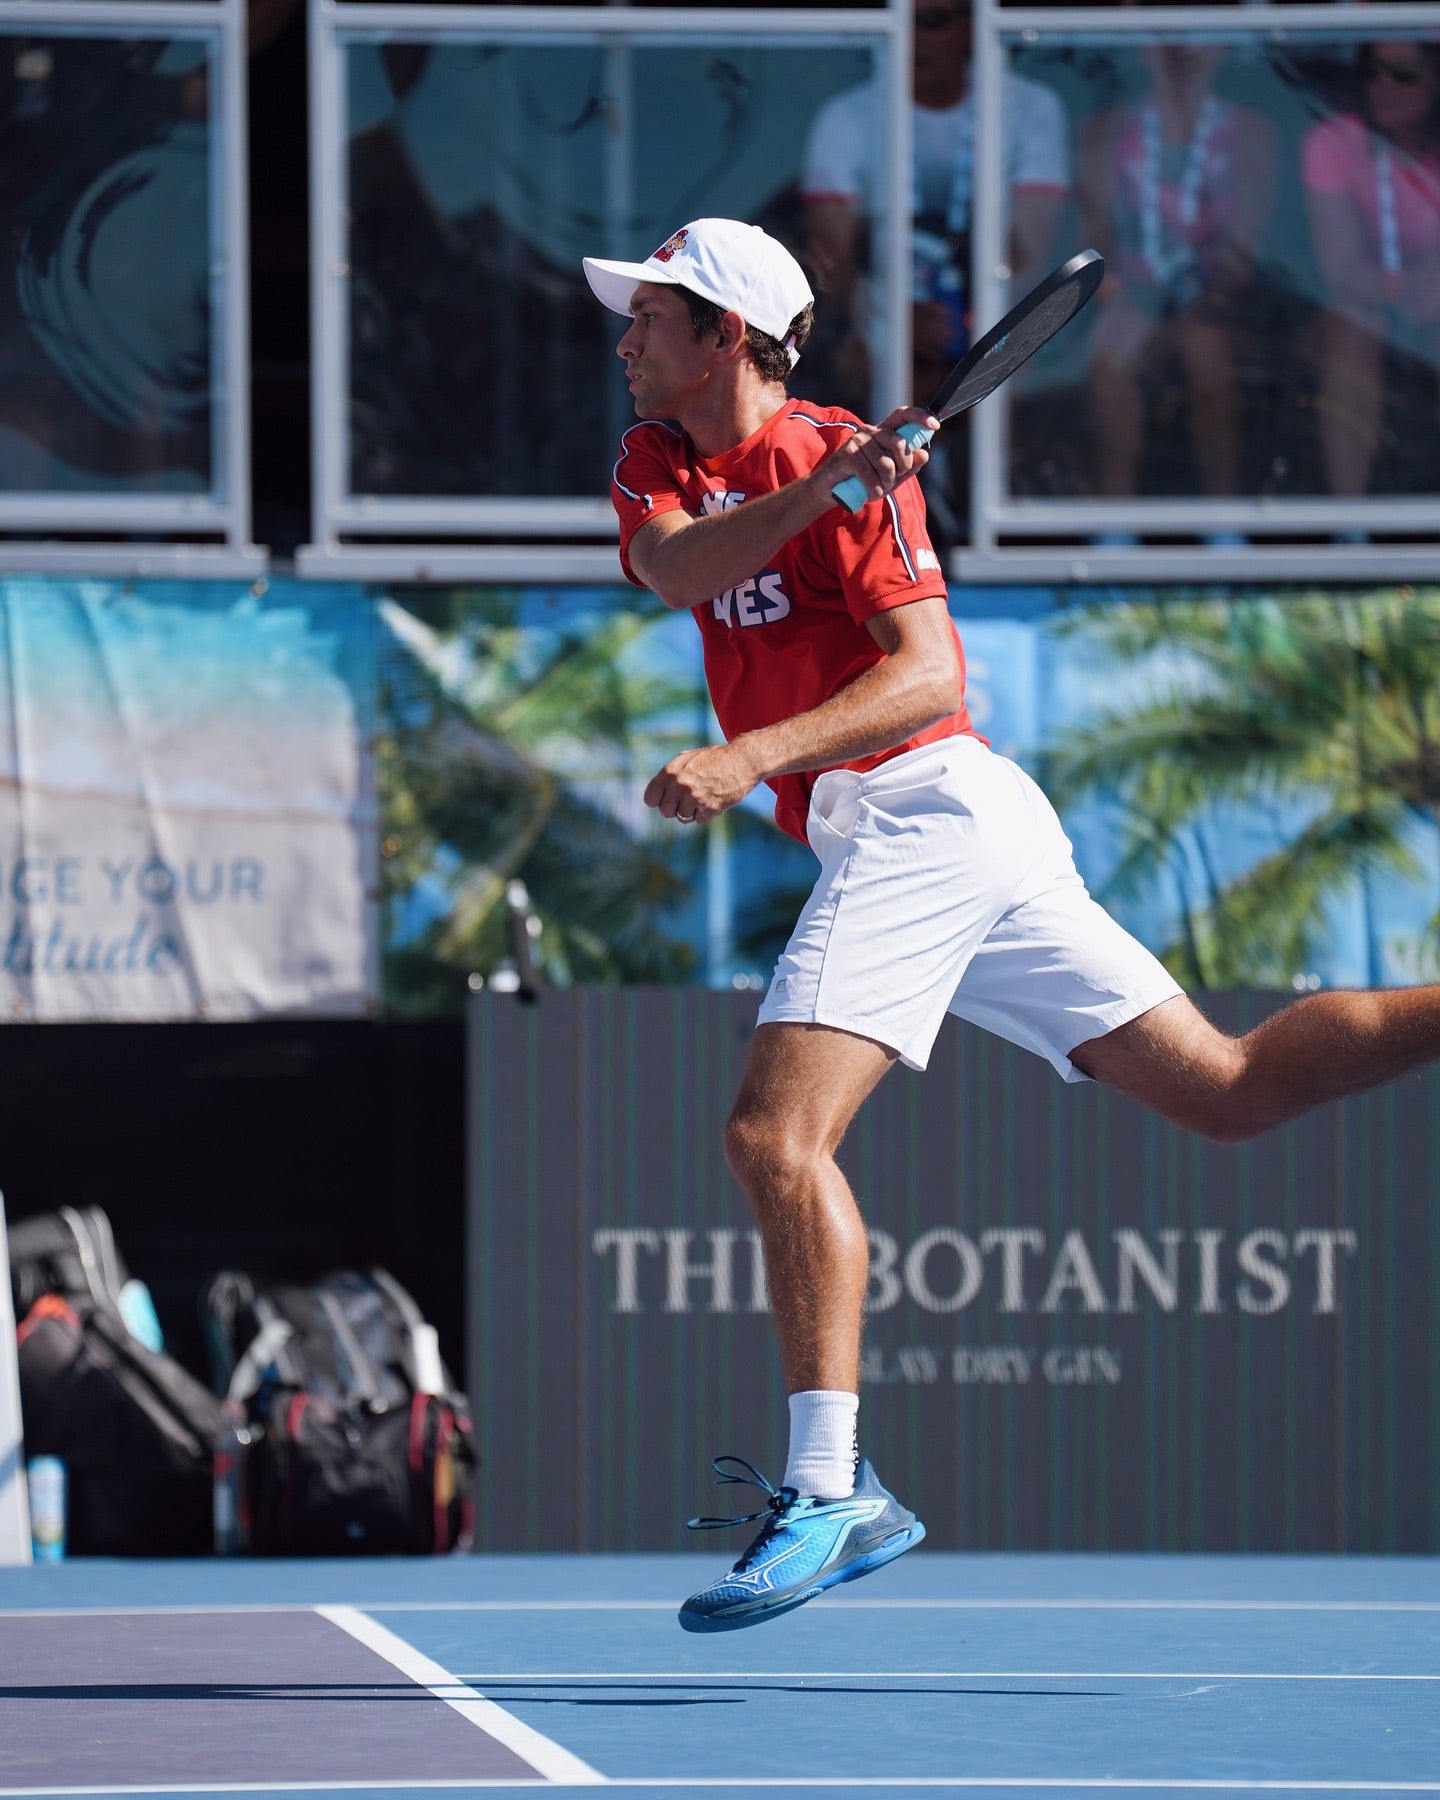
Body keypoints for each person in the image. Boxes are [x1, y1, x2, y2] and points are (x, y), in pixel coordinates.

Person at [583, 215, 1440, 1634]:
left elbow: (928, 680)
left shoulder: (851, 463)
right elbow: (681, 573)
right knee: (1227, 1091)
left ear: (726, 335)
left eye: (651, 316)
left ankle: (830, 1488)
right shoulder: (655, 460)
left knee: (773, 1138)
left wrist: (752, 753)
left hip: (930, 809)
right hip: (918, 834)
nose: (626, 339)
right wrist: (822, 493)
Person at [800, 0, 1069, 531]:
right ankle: (883, 517)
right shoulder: (846, 115)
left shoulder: (1031, 107)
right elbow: (836, 265)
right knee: (876, 362)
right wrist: (891, 321)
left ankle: (975, 507)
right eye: (898, 18)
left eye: (933, 20)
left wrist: (962, 323)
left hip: (994, 317)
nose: (913, 37)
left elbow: (1025, 255)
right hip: (880, 321)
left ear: (973, 25)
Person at [1078, 41, 1273, 516]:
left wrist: (1202, 301)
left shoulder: (1251, 132)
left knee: (1211, 359)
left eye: (1194, 29)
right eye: (1163, 27)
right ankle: (1115, 521)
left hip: (1214, 298)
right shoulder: (1104, 132)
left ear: (1221, 46)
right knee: (1111, 361)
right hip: (1130, 293)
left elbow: (1248, 244)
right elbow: (1096, 240)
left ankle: (1223, 519)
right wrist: (1121, 297)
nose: (1179, 47)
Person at [1302, 41, 1440, 497]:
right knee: (1353, 326)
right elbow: (1340, 270)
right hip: (1373, 301)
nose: (1384, 85)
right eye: (1372, 70)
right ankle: (1351, 518)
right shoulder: (1334, 140)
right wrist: (1408, 288)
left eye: (1404, 74)